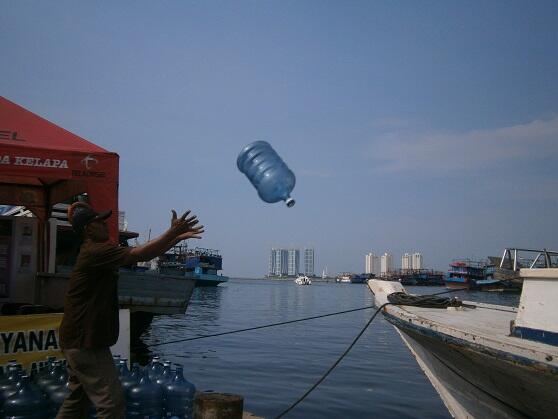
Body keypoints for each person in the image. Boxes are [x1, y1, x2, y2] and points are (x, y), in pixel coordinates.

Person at [56, 202, 204, 419]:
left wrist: (175, 238)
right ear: (89, 229)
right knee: (111, 404)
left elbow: (143, 251)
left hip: (80, 339)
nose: (105, 225)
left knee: (79, 398)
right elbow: (141, 254)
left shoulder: (94, 251)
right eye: (99, 222)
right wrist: (172, 232)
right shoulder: (97, 251)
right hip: (84, 341)